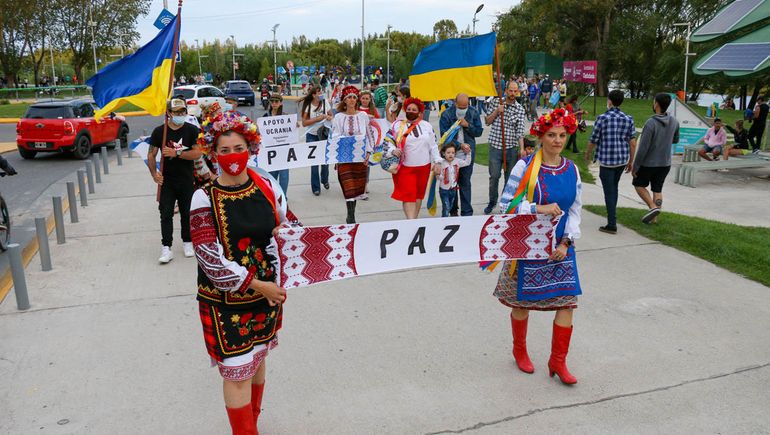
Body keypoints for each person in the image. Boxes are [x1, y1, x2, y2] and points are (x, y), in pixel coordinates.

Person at [191, 110, 288, 435]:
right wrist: (260, 285)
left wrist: (288, 237)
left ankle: (252, 424)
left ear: (250, 147)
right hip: (224, 304)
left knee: (257, 361)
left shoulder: (266, 186)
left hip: (266, 298)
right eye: (224, 150)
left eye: (238, 148)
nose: (232, 156)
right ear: (213, 153)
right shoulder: (203, 198)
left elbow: (288, 226)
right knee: (236, 373)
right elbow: (210, 260)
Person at [494, 107, 582, 385]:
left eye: (562, 135)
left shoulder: (572, 169)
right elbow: (505, 205)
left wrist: (566, 242)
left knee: (567, 304)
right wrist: (537, 208)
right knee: (522, 304)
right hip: (528, 247)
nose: (557, 140)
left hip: (560, 248)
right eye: (552, 135)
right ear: (541, 136)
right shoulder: (525, 167)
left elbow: (575, 210)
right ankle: (519, 350)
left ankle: (558, 361)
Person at [147, 97, 202, 263]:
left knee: (187, 213)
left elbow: (197, 153)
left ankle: (187, 242)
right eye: (176, 112)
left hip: (186, 179)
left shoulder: (192, 130)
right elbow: (151, 154)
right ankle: (166, 247)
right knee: (166, 213)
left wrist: (177, 153)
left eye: (183, 111)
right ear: (169, 113)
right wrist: (154, 174)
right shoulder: (160, 132)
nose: (180, 115)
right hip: (167, 181)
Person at [585, 90, 636, 235]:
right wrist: (631, 161)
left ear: (609, 101)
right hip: (621, 160)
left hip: (607, 161)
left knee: (609, 191)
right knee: (614, 187)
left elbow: (593, 139)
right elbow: (633, 143)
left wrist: (588, 154)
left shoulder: (602, 118)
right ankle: (612, 216)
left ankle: (612, 224)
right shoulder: (628, 119)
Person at [383, 97, 442, 219]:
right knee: (408, 195)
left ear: (419, 112)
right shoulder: (397, 125)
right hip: (405, 167)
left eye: (414, 110)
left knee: (418, 195)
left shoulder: (426, 126)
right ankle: (410, 221)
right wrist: (393, 150)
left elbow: (433, 145)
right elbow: (388, 141)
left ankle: (414, 220)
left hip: (424, 167)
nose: (411, 111)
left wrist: (437, 161)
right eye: (409, 109)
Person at [632, 92, 680, 225]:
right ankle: (654, 219)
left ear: (657, 104)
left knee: (638, 184)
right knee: (657, 189)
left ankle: (653, 207)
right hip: (665, 163)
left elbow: (643, 148)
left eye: (653, 101)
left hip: (649, 163)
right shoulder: (674, 121)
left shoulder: (651, 123)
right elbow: (676, 140)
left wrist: (636, 166)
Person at [331, 86, 373, 223]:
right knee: (347, 186)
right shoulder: (338, 117)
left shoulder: (363, 116)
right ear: (344, 100)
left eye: (354, 97)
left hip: (359, 157)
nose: (352, 100)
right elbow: (334, 135)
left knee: (356, 187)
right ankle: (350, 216)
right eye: (349, 97)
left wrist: (368, 152)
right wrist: (348, 142)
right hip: (344, 157)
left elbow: (369, 134)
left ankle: (351, 214)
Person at [483, 81, 526, 215]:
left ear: (517, 92)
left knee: (509, 179)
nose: (512, 93)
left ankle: (504, 203)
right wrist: (497, 111)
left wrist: (522, 149)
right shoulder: (496, 102)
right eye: (510, 90)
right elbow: (487, 121)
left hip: (511, 148)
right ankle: (492, 202)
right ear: (506, 90)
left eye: (515, 91)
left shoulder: (520, 109)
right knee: (494, 176)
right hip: (495, 147)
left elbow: (520, 132)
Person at [439, 92, 483, 216]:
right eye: (460, 107)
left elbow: (479, 132)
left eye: (465, 107)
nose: (463, 109)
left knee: (465, 182)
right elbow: (444, 136)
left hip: (467, 155)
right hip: (451, 155)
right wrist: (460, 145)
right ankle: (453, 211)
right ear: (455, 103)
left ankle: (467, 212)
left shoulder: (473, 112)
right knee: (451, 183)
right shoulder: (446, 114)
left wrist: (467, 125)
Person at [300, 85, 332, 196]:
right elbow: (304, 123)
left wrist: (328, 117)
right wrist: (317, 118)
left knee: (325, 161)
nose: (321, 94)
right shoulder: (308, 106)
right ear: (314, 95)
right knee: (314, 163)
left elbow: (331, 115)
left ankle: (324, 179)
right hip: (312, 136)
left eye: (322, 92)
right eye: (319, 92)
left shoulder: (325, 102)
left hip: (323, 135)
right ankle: (316, 187)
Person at [264, 93, 290, 196]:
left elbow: (290, 132)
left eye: (276, 101)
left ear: (281, 103)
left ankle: (283, 197)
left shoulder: (285, 116)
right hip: (271, 150)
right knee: (271, 175)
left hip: (283, 149)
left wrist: (294, 126)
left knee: (284, 175)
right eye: (272, 101)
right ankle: (273, 196)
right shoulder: (266, 116)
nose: (274, 103)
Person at [437, 142, 472, 217]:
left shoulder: (457, 161)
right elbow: (439, 176)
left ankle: (447, 218)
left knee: (450, 206)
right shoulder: (442, 163)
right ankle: (444, 220)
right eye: (448, 153)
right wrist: (438, 175)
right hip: (444, 190)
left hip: (453, 189)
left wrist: (468, 154)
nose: (451, 154)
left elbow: (467, 163)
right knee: (446, 207)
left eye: (453, 153)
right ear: (443, 153)